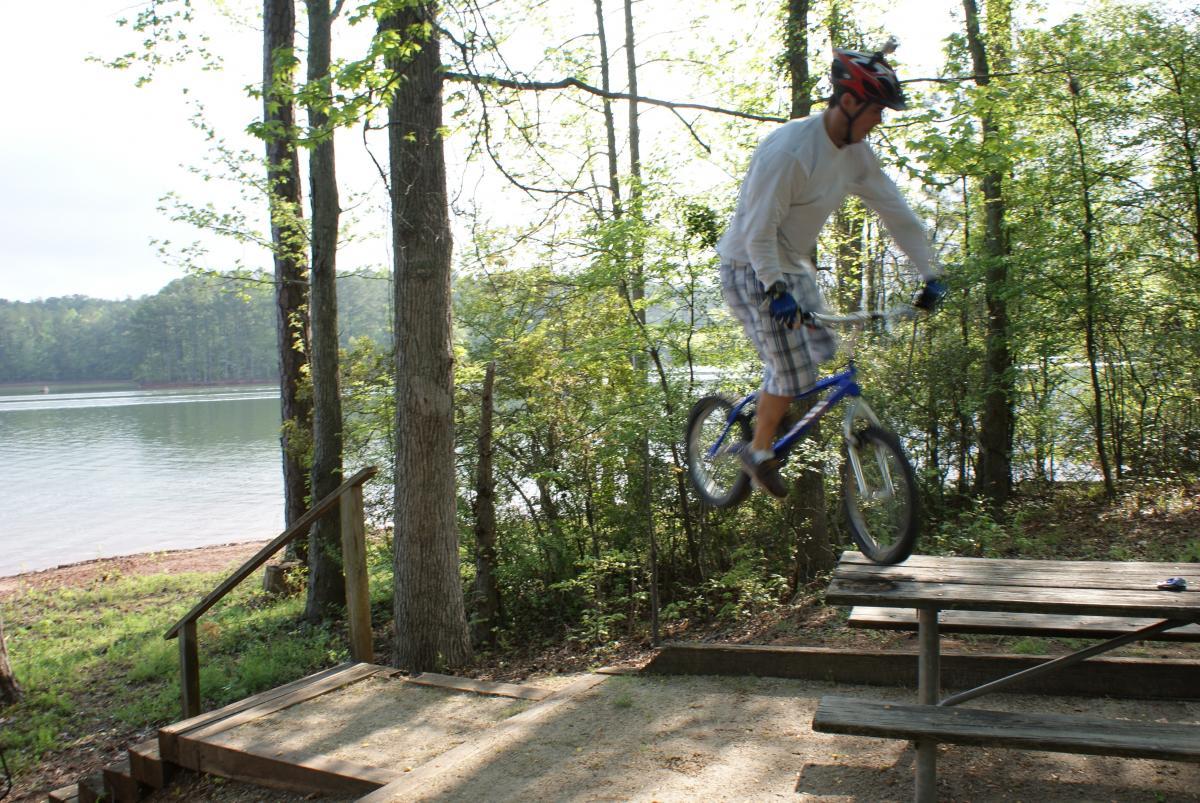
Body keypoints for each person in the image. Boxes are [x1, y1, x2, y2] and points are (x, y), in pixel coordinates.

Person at [715, 41, 945, 499]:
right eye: (877, 110)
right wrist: (776, 290)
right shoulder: (790, 152)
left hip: (791, 265)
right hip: (748, 265)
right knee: (795, 375)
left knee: (821, 347)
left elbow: (896, 211)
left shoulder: (856, 155)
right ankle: (757, 453)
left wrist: (931, 273)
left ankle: (772, 386)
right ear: (849, 101)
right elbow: (759, 232)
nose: (880, 120)